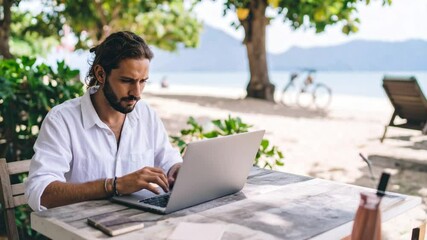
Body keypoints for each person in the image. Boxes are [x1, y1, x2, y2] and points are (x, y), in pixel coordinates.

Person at [25, 31, 182, 212]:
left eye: (143, 81)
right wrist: (114, 185)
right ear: (100, 74)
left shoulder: (146, 114)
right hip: (81, 229)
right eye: (127, 81)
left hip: (139, 224)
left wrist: (175, 170)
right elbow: (40, 191)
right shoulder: (62, 120)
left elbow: (167, 158)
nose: (137, 93)